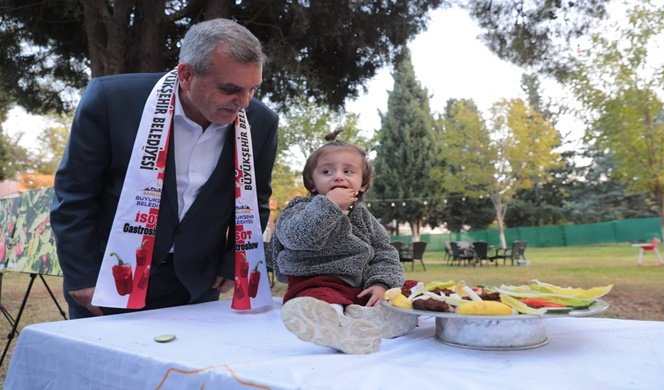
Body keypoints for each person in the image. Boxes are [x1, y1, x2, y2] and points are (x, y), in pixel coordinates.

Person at [51, 19, 278, 319]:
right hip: (109, 282)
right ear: (186, 74)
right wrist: (81, 274)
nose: (244, 103)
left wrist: (232, 260)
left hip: (196, 287)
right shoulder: (111, 100)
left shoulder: (261, 122)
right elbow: (74, 194)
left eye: (253, 89)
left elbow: (254, 200)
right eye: (230, 89)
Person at [269, 133, 417, 354]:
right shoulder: (300, 208)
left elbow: (385, 253)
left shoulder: (365, 218)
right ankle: (334, 324)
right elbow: (296, 237)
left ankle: (368, 316)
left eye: (348, 171)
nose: (338, 177)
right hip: (314, 280)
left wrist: (382, 283)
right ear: (312, 180)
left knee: (402, 293)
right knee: (322, 299)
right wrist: (329, 206)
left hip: (359, 285)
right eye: (327, 171)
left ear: (363, 184)